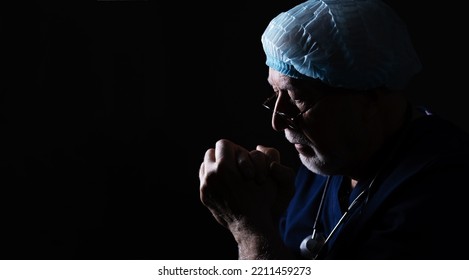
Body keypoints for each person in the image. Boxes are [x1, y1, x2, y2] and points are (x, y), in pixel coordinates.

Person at [198, 0, 469, 260]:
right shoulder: (334, 155)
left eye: (298, 97)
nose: (278, 122)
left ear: (369, 98)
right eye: (274, 93)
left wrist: (248, 228)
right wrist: (267, 213)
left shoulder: (443, 189)